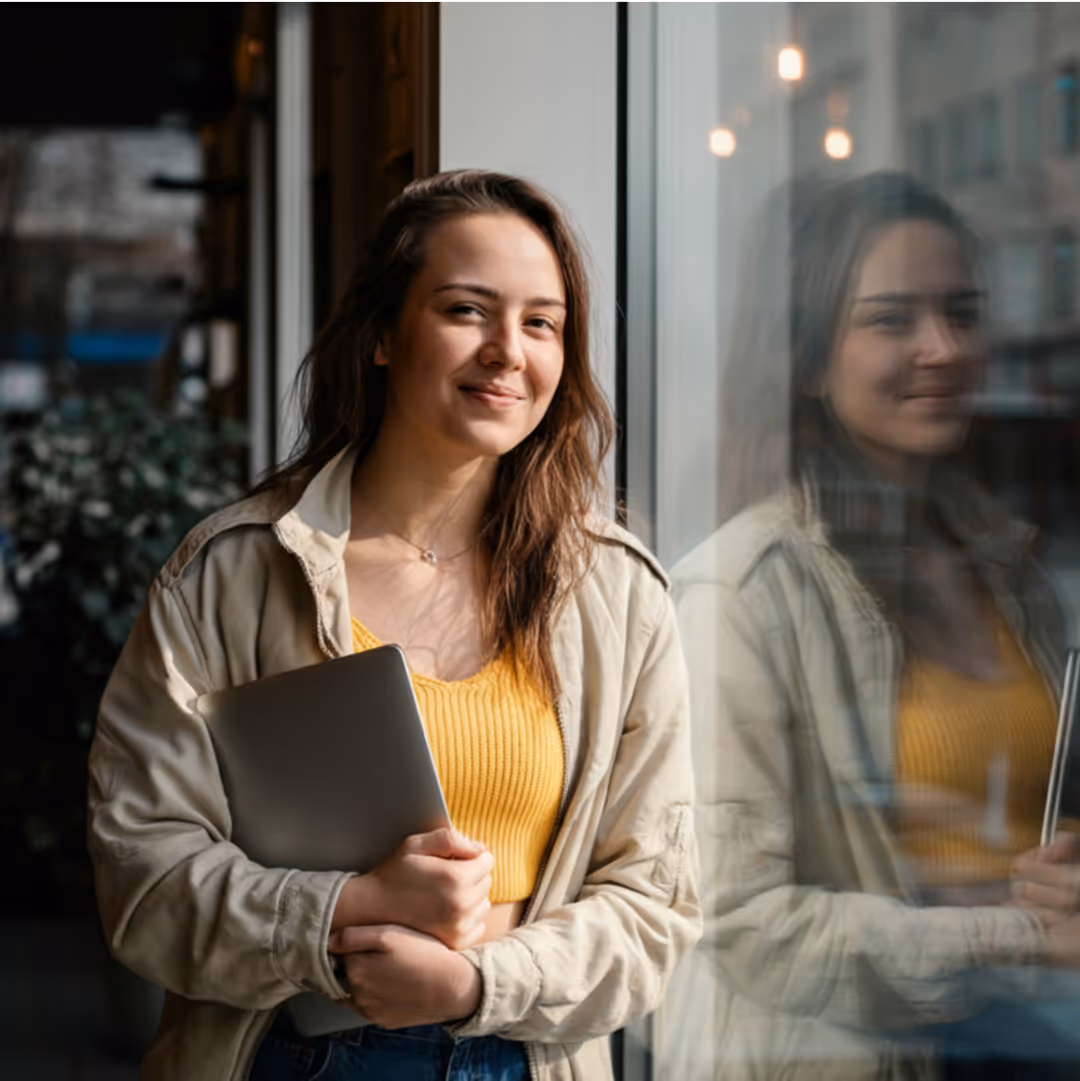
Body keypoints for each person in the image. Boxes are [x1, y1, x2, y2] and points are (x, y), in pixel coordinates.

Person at [87, 170, 700, 1081]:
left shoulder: (616, 592)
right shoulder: (233, 571)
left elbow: (656, 904)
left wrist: (473, 983)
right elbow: (143, 871)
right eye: (466, 310)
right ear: (381, 332)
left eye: (542, 323)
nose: (508, 351)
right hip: (287, 1055)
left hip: (519, 1055)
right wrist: (342, 911)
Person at [665, 172, 1080, 1080]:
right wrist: (1018, 933)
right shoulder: (742, 592)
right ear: (810, 361)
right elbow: (741, 917)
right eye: (892, 320)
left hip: (1020, 1034)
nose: (943, 347)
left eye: (961, 313)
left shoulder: (1009, 568)